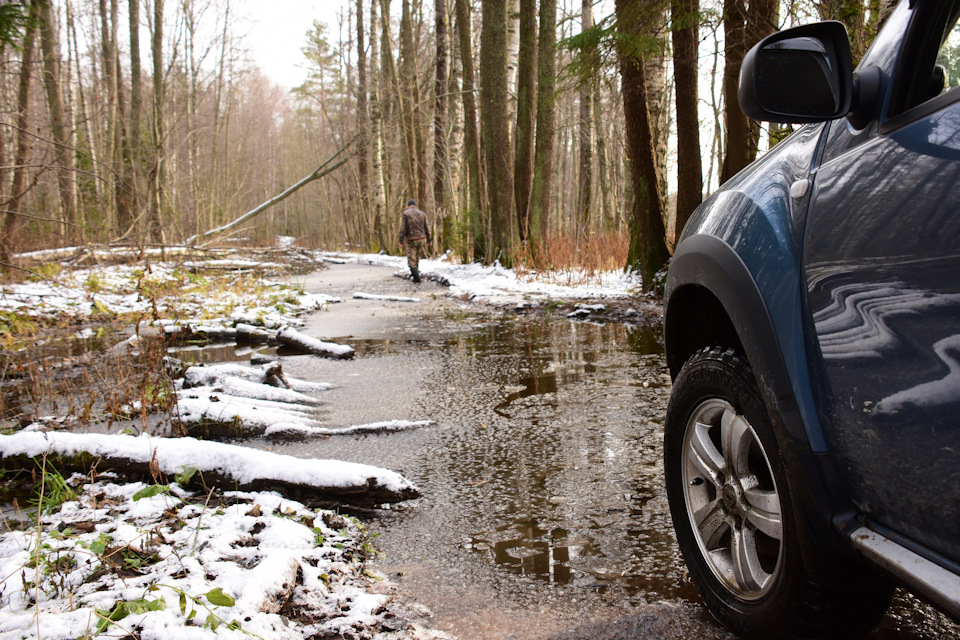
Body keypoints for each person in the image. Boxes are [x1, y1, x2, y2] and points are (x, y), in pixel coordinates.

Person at [397, 198, 432, 283]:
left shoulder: (406, 214)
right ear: (415, 205)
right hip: (421, 239)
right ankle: (416, 277)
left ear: (408, 206)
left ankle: (417, 279)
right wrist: (429, 239)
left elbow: (403, 228)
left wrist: (400, 240)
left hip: (411, 239)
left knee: (411, 261)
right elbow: (427, 227)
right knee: (416, 258)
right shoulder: (422, 214)